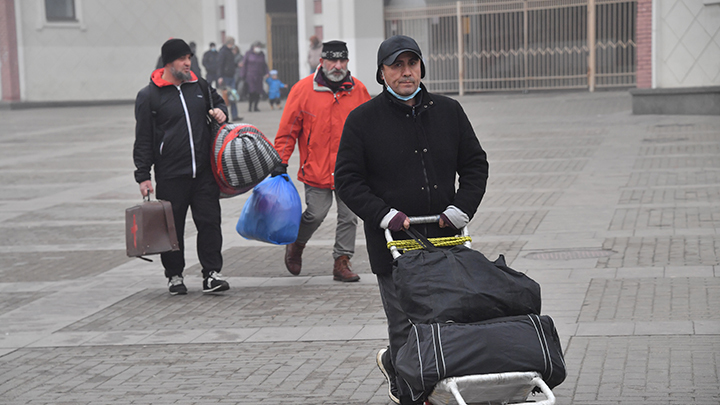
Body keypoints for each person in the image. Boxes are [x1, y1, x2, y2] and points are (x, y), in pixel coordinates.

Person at [334, 35, 489, 404]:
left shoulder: (449, 111)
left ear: (421, 67)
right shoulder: (362, 120)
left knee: (449, 318)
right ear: (381, 72)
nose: (406, 72)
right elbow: (348, 180)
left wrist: (460, 208)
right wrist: (384, 214)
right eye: (396, 65)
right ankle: (412, 394)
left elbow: (474, 165)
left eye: (412, 64)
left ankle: (410, 368)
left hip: (444, 237)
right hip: (394, 245)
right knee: (405, 323)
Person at [133, 38, 231, 296]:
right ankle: (175, 276)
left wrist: (221, 111)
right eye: (182, 59)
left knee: (210, 223)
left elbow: (218, 104)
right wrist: (143, 175)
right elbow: (143, 138)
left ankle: (212, 274)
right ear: (169, 62)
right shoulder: (149, 96)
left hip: (204, 172)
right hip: (171, 175)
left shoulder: (198, 85)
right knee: (172, 228)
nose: (188, 63)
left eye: (189, 57)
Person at [272, 40, 371, 282]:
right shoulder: (302, 90)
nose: (337, 66)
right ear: (322, 61)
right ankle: (297, 243)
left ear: (347, 62)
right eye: (332, 60)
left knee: (349, 216)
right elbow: (288, 130)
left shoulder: (359, 91)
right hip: (315, 168)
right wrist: (279, 161)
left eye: (342, 61)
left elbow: (373, 130)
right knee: (316, 213)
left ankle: (342, 261)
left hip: (350, 170)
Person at [239, 41, 269, 112]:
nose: (258, 48)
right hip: (250, 76)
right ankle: (250, 106)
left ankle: (256, 106)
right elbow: (244, 64)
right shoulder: (248, 54)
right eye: (257, 47)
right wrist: (242, 75)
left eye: (259, 47)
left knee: (258, 91)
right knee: (251, 91)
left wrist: (267, 72)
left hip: (259, 76)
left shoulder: (262, 54)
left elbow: (264, 64)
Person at [218, 37, 242, 121]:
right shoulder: (223, 52)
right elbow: (220, 64)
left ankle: (235, 115)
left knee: (233, 96)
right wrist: (220, 76)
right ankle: (224, 115)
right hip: (225, 77)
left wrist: (236, 65)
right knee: (226, 97)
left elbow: (231, 63)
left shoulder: (230, 52)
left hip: (231, 76)